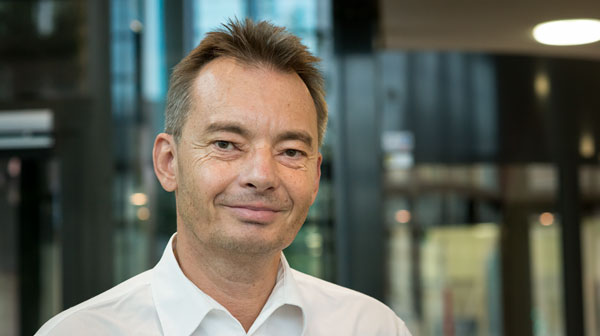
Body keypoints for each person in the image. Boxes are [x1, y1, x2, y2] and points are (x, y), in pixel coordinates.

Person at [36, 19, 411, 335]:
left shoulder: (371, 327)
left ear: (314, 177)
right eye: (227, 144)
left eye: (291, 152)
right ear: (169, 162)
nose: (262, 175)